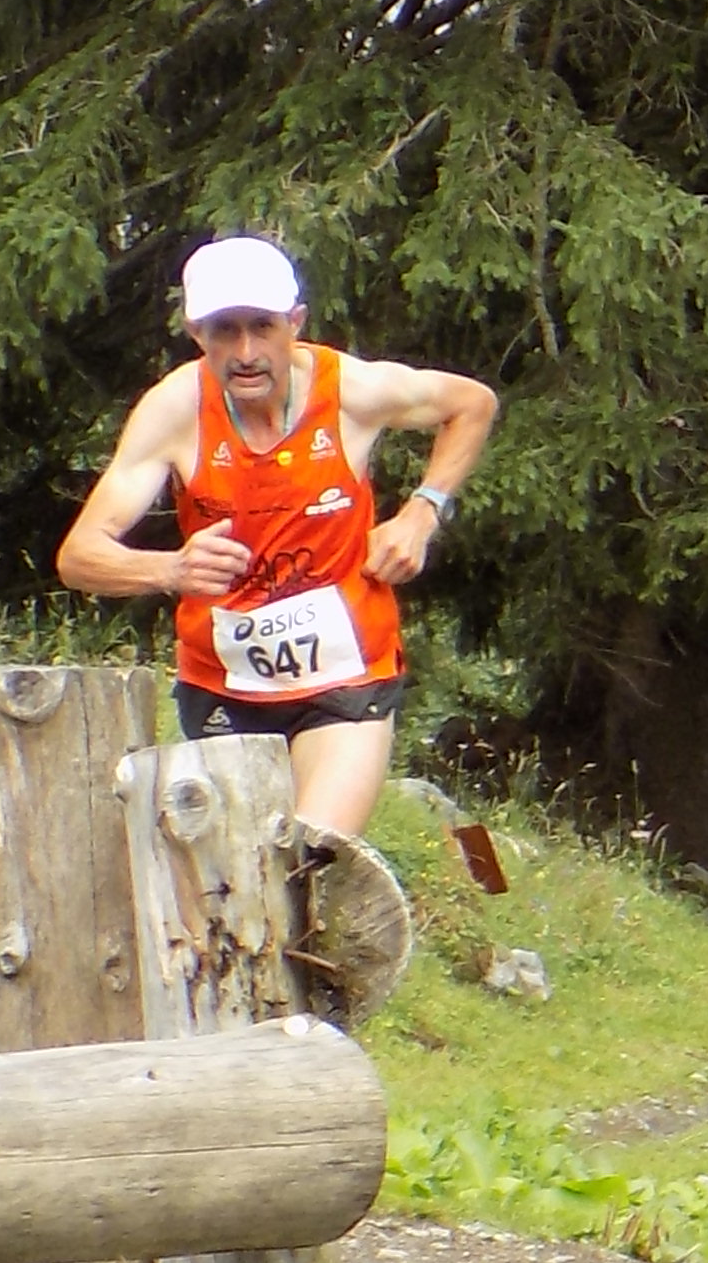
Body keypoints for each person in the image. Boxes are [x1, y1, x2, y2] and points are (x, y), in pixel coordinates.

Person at [55, 236, 500, 840]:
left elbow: (472, 404)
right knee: (231, 871)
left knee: (310, 856)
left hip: (346, 677)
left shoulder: (349, 391)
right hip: (225, 686)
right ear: (196, 333)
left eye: (262, 327)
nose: (246, 353)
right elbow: (79, 556)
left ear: (295, 324)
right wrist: (170, 570)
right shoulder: (176, 410)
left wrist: (421, 513)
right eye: (225, 330)